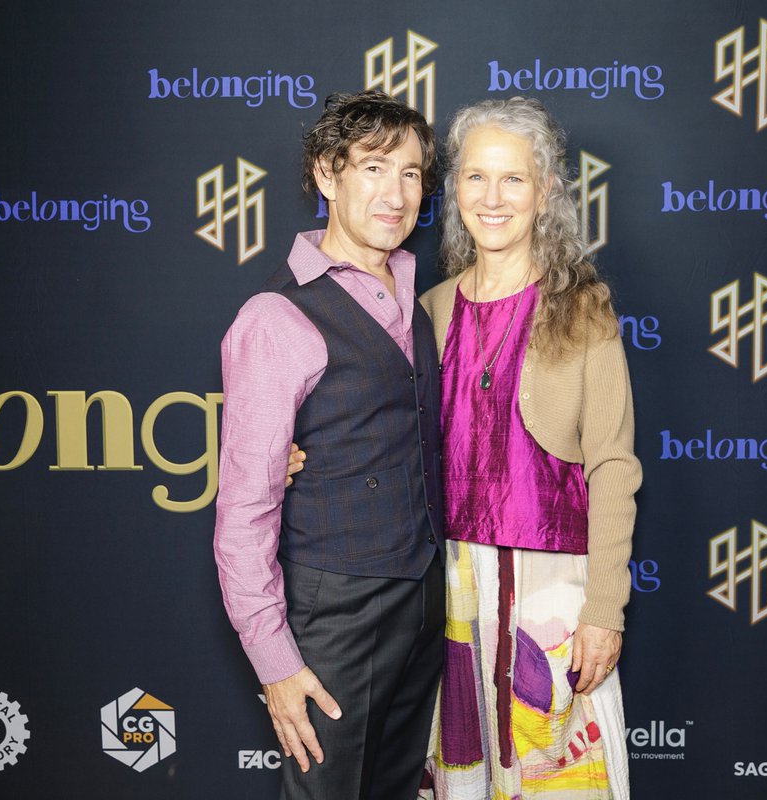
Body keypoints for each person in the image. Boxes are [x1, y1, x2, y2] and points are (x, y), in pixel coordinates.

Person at [213, 89, 446, 800]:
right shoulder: (275, 318)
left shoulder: (419, 299)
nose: (396, 192)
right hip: (336, 604)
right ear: (326, 175)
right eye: (374, 167)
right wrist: (276, 663)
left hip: (425, 593)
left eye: (410, 173)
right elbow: (243, 512)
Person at [417, 95, 640, 800]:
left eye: (513, 179)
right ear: (454, 190)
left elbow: (612, 463)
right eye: (476, 177)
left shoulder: (582, 309)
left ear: (545, 192)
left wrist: (605, 608)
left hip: (552, 597)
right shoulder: (431, 309)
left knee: (560, 782)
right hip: (448, 594)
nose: (492, 197)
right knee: (458, 778)